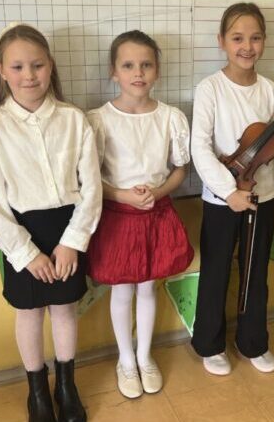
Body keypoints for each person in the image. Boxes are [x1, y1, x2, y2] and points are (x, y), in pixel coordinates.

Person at [0, 24, 101, 422]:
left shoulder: (74, 119)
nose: (29, 75)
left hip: (68, 229)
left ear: (51, 65)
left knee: (64, 309)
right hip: (20, 234)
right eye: (18, 67)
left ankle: (66, 386)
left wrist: (73, 242)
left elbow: (92, 188)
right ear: (2, 70)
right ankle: (37, 392)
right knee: (29, 312)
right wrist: (26, 253)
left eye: (38, 65)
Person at [190, 2, 274, 376]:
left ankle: (252, 342)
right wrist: (227, 191)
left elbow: (273, 152)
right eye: (237, 38)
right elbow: (199, 148)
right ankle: (209, 344)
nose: (246, 46)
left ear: (264, 41)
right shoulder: (210, 88)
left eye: (255, 38)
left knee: (255, 272)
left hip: (261, 195)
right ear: (222, 41)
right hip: (221, 199)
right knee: (216, 271)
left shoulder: (272, 90)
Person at [87, 31, 194, 399]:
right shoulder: (98, 119)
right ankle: (126, 360)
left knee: (148, 286)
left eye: (146, 65)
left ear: (157, 71)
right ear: (114, 71)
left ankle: (146, 356)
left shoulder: (170, 117)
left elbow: (180, 168)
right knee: (121, 288)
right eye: (128, 65)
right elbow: (89, 177)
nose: (138, 72)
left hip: (156, 211)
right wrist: (122, 195)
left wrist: (157, 193)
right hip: (117, 216)